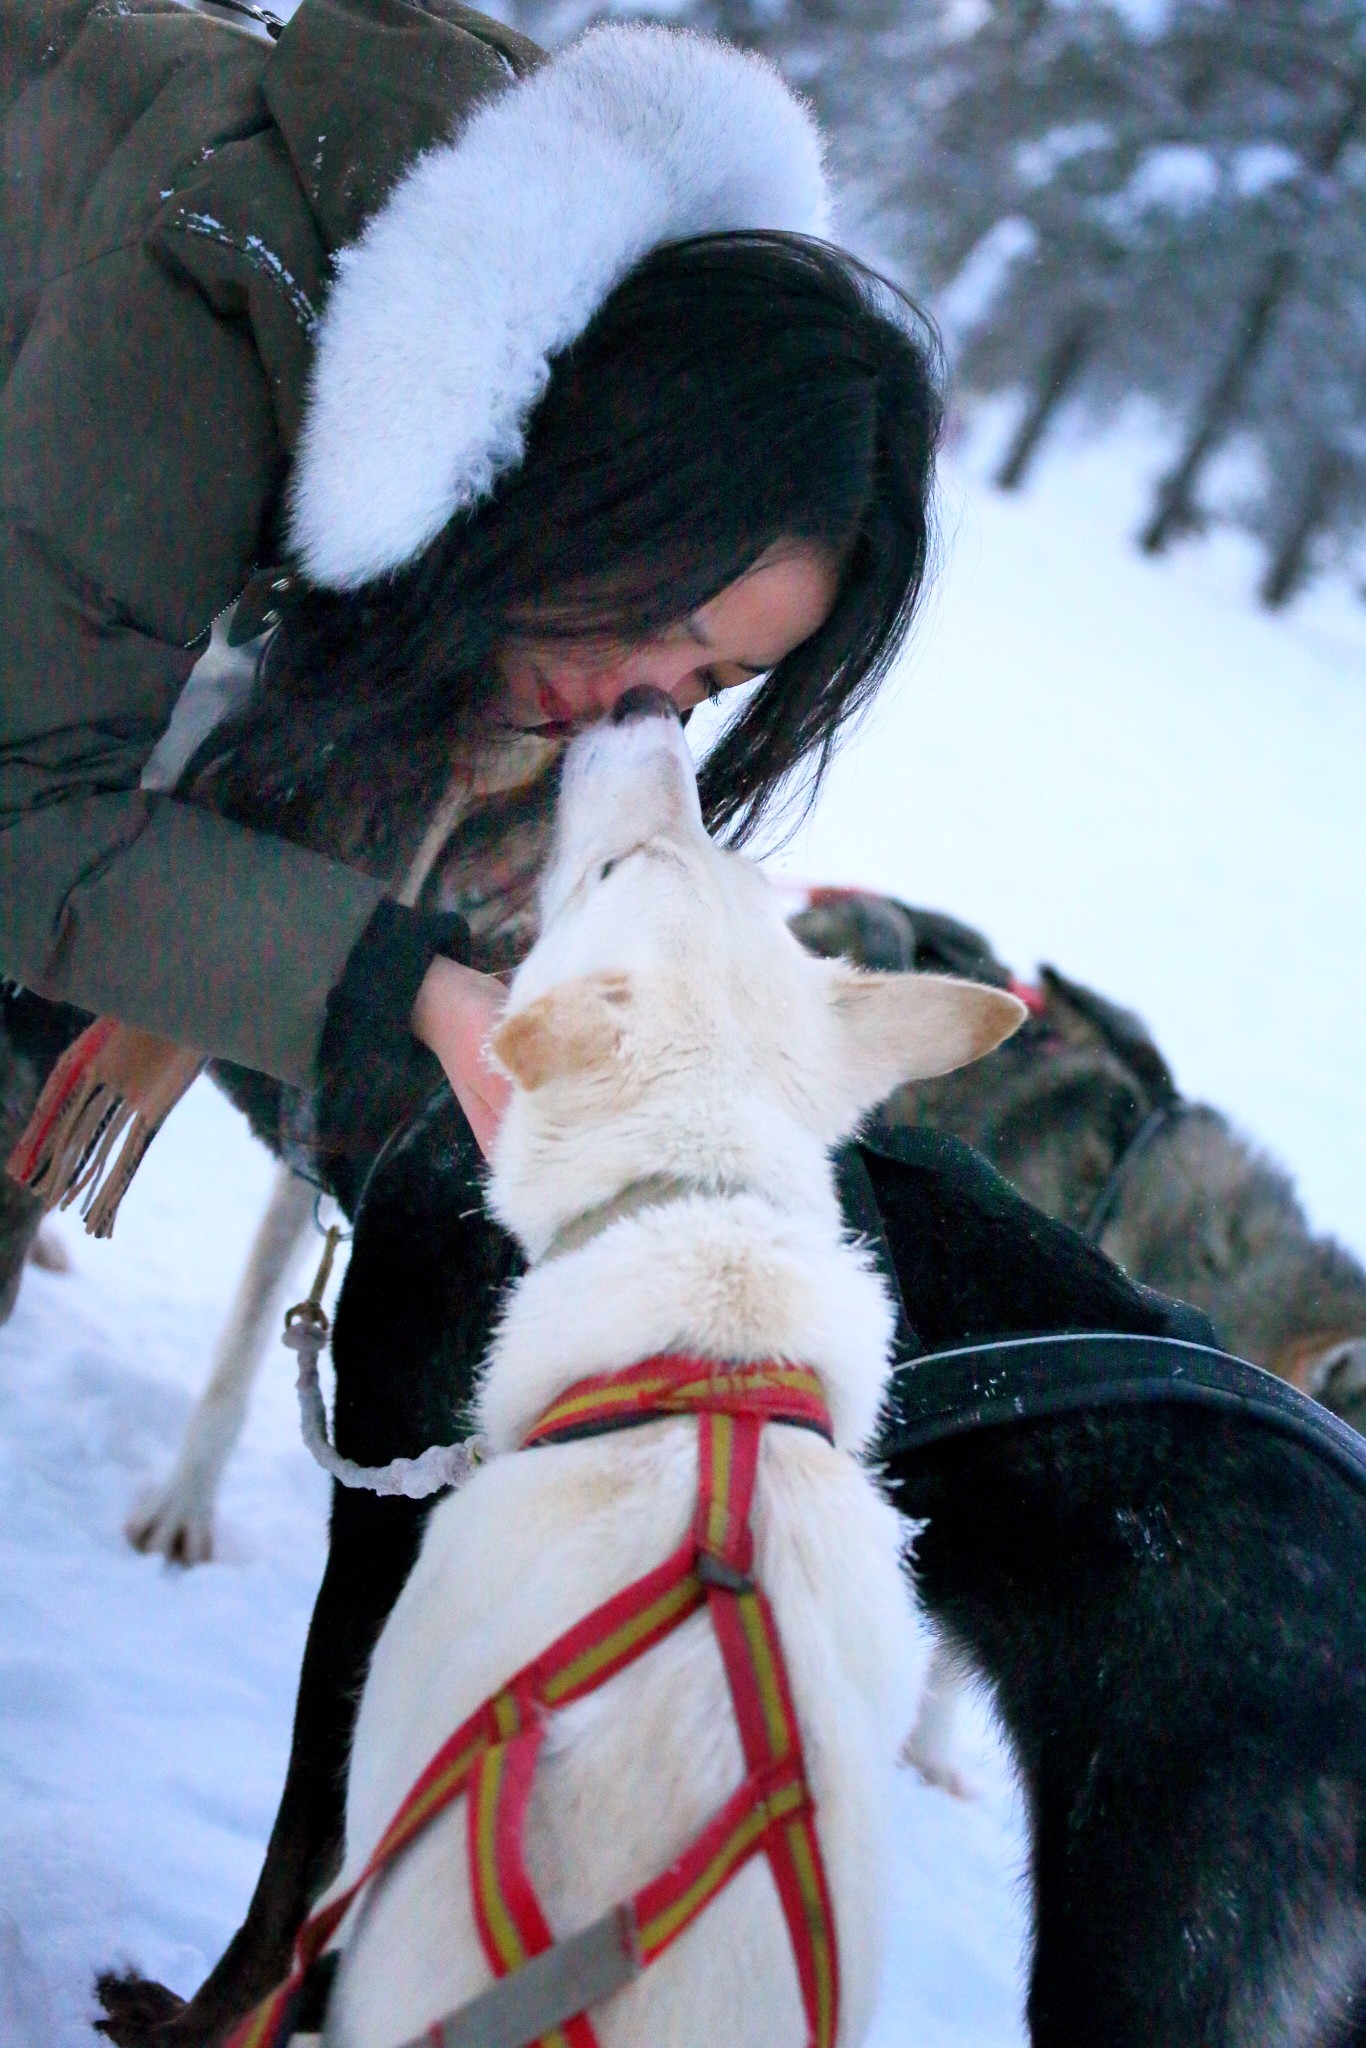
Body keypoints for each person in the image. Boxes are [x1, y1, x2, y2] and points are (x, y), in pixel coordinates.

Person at [2, 5, 1212, 2043]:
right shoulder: (220, 277)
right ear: (622, 457)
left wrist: (647, 1191)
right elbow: (29, 802)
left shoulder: (494, 565)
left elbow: (347, 962)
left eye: (711, 680)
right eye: (672, 614)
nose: (649, 698)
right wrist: (404, 991)